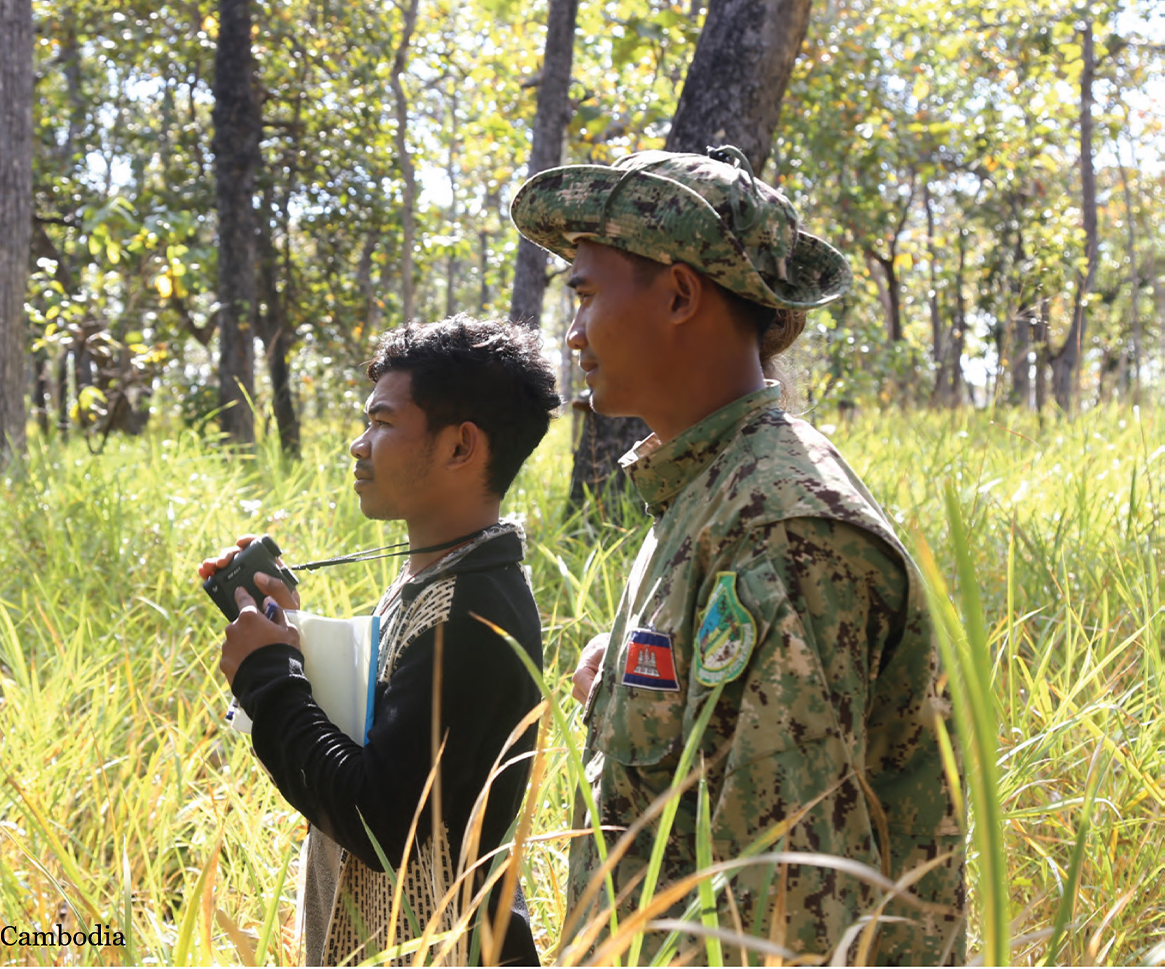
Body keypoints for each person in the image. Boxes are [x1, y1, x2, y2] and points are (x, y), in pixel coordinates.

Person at [508, 147, 966, 964]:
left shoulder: (778, 528)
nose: (571, 333)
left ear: (680, 293)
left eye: (584, 295)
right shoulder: (707, 488)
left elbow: (790, 910)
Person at [201, 317, 561, 966]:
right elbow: (377, 734)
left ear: (460, 447)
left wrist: (268, 677)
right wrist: (289, 637)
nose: (358, 445)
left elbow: (380, 821)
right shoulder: (433, 580)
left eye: (383, 423)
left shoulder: (471, 613)